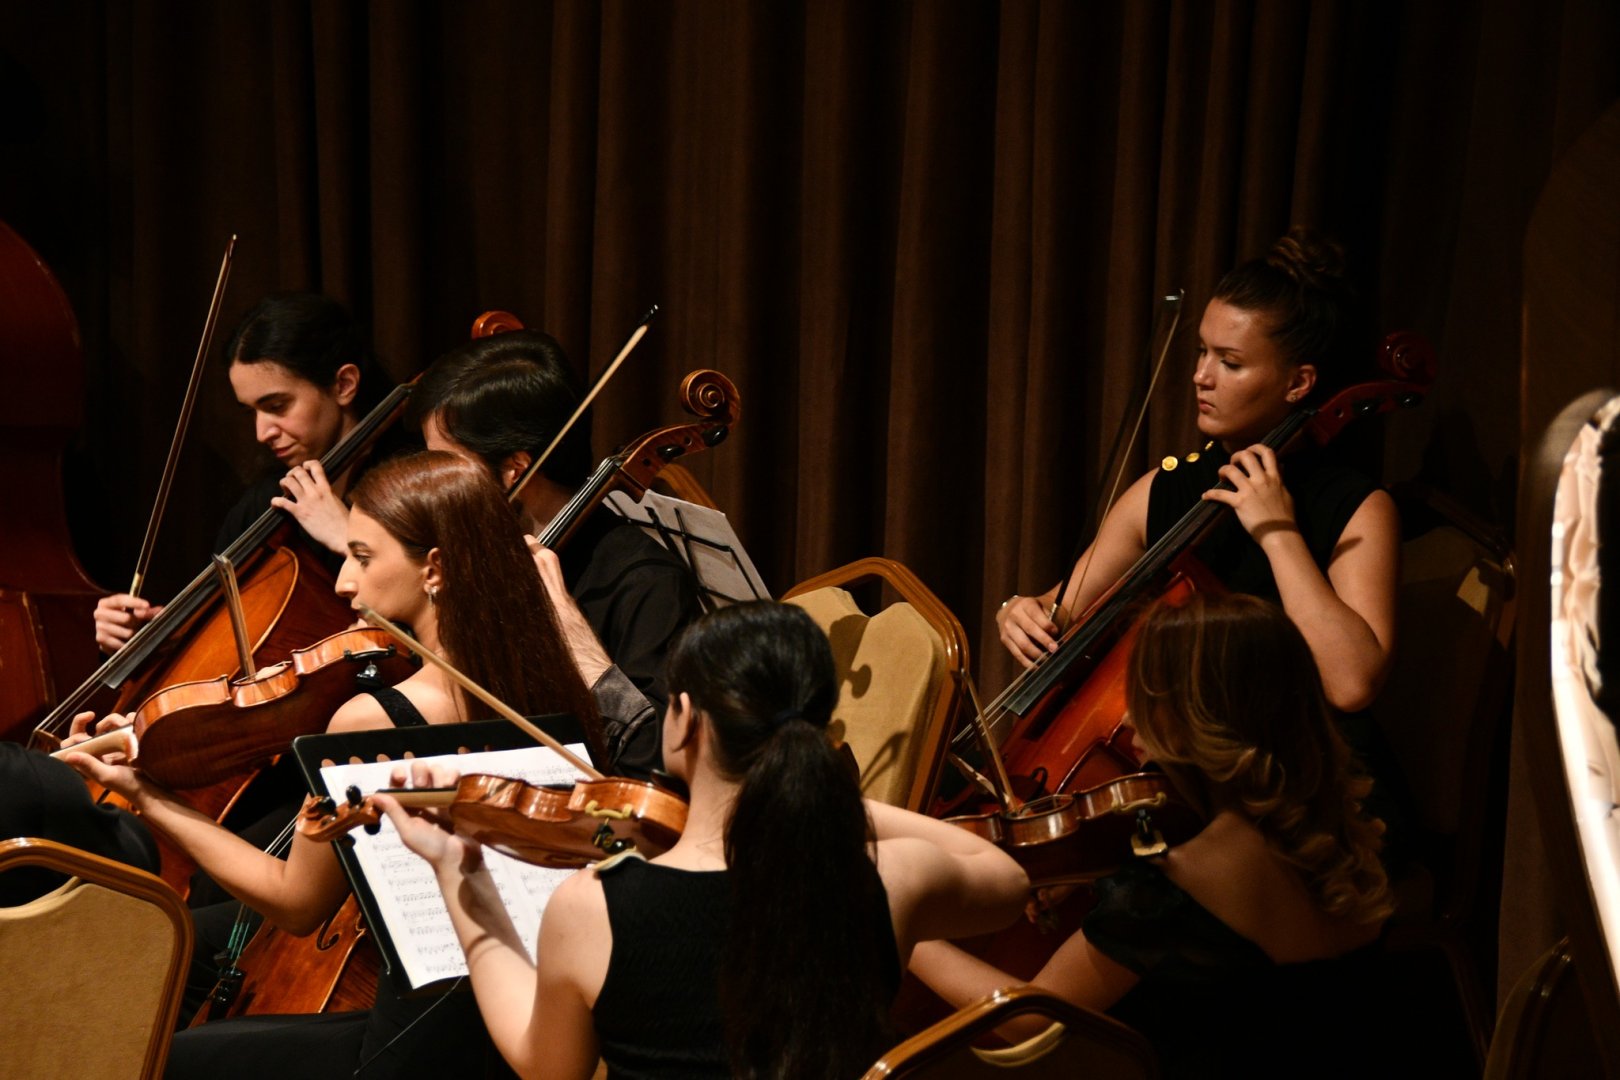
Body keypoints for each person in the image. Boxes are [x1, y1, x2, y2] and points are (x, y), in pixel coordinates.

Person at [65, 450, 602, 1078]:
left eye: (363, 558)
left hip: (414, 1045)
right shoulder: (555, 693)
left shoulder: (376, 718)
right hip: (529, 1026)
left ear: (435, 569)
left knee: (167, 1061)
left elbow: (297, 904)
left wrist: (145, 794)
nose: (344, 581)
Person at [376, 601, 1031, 1080]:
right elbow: (1005, 878)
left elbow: (549, 1070)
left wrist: (460, 879)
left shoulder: (592, 907)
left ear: (684, 720)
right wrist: (827, 796)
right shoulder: (888, 878)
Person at [911, 593, 1395, 1076]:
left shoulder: (1178, 882)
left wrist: (904, 923)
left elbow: (1030, 1019)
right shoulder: (1345, 837)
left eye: (1142, 695)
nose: (1125, 718)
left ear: (1198, 715)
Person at [997, 228, 1397, 716]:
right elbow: (1058, 609)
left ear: (1298, 382)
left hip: (1302, 777)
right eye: (1202, 352)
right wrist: (1020, 612)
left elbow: (1352, 683)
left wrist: (1277, 533)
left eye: (1229, 362)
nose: (1201, 376)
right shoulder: (1165, 490)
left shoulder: (1355, 506)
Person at [404, 329, 702, 776]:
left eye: (447, 466)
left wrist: (579, 642)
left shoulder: (644, 581)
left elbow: (660, 765)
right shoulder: (477, 551)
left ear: (512, 470)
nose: (433, 484)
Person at [93, 292, 385, 654]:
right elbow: (222, 635)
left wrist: (348, 539)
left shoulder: (412, 485)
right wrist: (157, 635)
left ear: (343, 385)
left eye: (277, 406)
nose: (262, 433)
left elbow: (441, 621)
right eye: (251, 412)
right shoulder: (265, 504)